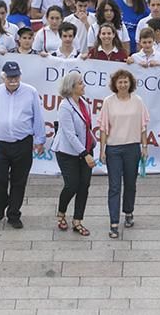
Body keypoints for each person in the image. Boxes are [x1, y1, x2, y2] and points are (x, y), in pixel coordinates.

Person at [0, 61, 46, 228]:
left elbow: (38, 117)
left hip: (22, 143)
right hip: (0, 144)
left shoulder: (30, 92)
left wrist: (40, 140)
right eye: (9, 77)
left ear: (20, 76)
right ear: (3, 77)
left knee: (19, 181)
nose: (13, 80)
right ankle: (1, 204)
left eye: (15, 77)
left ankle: (14, 214)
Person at [99, 69, 150, 238]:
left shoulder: (138, 101)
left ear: (130, 83)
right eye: (119, 82)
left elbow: (143, 126)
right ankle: (114, 222)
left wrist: (144, 147)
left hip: (132, 147)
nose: (123, 84)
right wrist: (102, 149)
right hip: (114, 148)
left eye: (125, 81)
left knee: (130, 184)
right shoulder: (108, 101)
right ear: (115, 84)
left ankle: (128, 211)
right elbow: (104, 127)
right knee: (114, 186)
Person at [52, 71, 96, 237]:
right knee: (72, 184)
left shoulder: (84, 103)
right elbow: (69, 134)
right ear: (71, 87)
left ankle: (78, 220)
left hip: (85, 148)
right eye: (80, 83)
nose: (83, 85)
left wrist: (92, 144)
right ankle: (61, 212)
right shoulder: (65, 106)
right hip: (67, 152)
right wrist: (85, 153)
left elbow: (87, 127)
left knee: (84, 185)